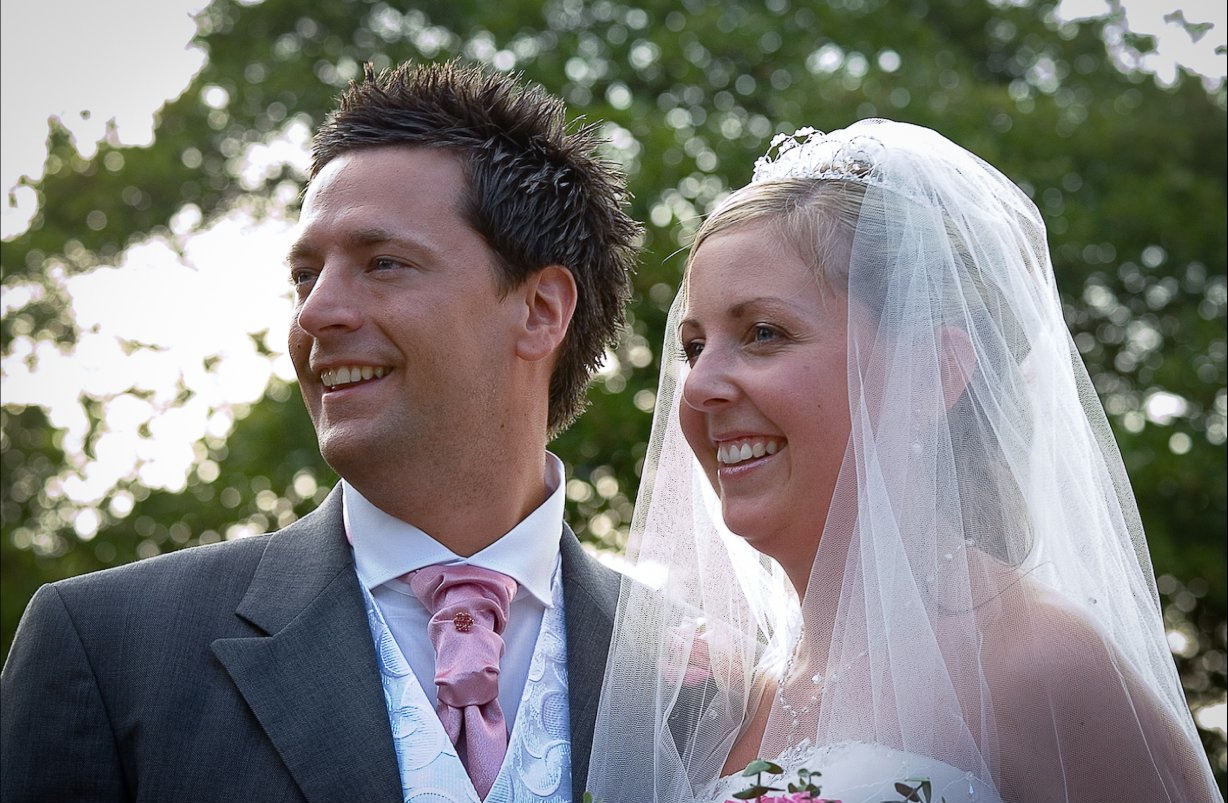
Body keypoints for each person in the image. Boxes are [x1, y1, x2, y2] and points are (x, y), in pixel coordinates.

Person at [1, 60, 640, 803]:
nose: (314, 313)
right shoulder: (105, 648)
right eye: (305, 275)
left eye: (383, 263)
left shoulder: (702, 676)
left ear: (540, 311)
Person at [587, 120, 1221, 803]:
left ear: (930, 375)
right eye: (694, 347)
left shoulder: (1037, 665)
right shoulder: (735, 700)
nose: (699, 386)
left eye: (764, 333)